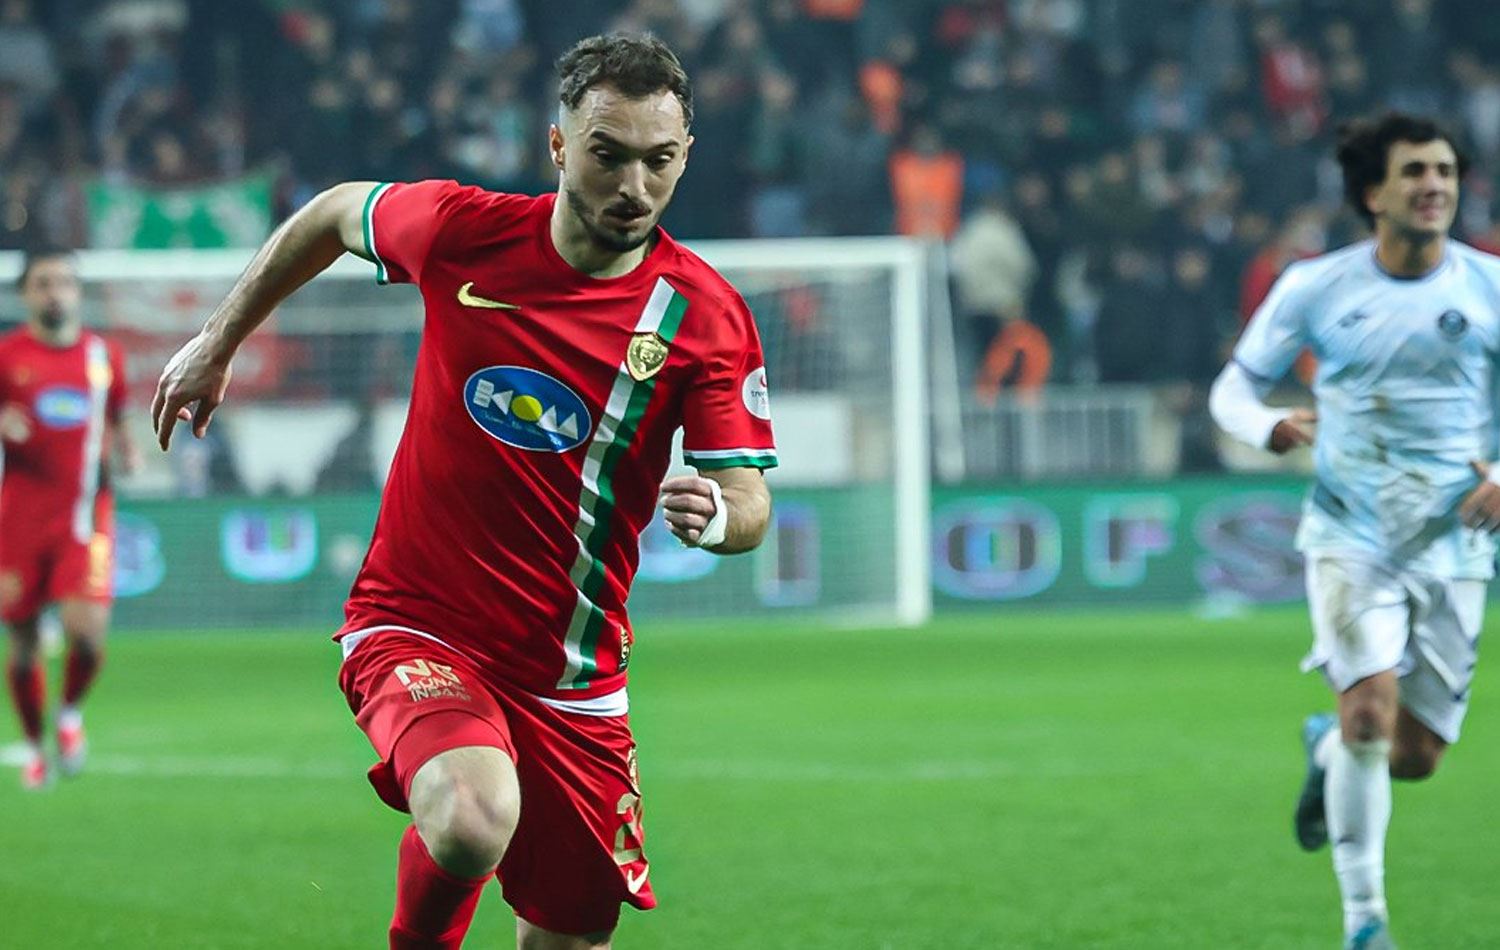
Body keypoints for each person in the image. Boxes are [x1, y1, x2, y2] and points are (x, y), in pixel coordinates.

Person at [152, 33, 776, 950]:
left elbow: (749, 502)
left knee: (568, 937)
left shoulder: (705, 317)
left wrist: (721, 516)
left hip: (571, 675)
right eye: (608, 155)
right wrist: (218, 342)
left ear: (686, 157)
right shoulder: (463, 231)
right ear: (558, 145)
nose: (633, 187)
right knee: (473, 816)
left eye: (659, 160)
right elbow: (333, 213)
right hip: (417, 623)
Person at [1208, 112, 1500, 950]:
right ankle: (1365, 922)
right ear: (1373, 193)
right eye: (1414, 172)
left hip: (1454, 542)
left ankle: (1326, 751)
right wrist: (1265, 426)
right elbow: (1233, 387)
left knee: (1416, 756)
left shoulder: (1488, 286)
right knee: (1369, 716)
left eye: (1444, 171)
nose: (1434, 186)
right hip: (1350, 534)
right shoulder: (1315, 286)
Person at [1, 247, 138, 789]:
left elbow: (118, 414)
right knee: (24, 645)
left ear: (77, 293)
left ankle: (69, 713)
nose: (54, 293)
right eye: (43, 283)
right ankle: (35, 746)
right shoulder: (7, 357)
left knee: (87, 633)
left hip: (85, 515)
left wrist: (128, 447)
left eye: (63, 282)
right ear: (25, 294)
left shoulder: (104, 356)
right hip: (18, 518)